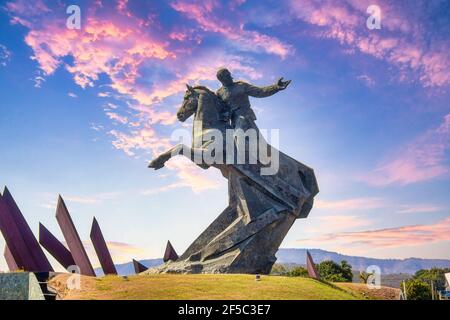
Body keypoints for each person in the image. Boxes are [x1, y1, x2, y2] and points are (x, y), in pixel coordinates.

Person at [215, 68, 291, 131]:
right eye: (228, 76)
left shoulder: (241, 86)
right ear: (222, 79)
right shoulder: (219, 93)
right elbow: (219, 111)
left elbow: (260, 92)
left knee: (239, 133)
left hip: (245, 117)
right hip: (233, 121)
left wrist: (276, 87)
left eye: (230, 75)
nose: (231, 77)